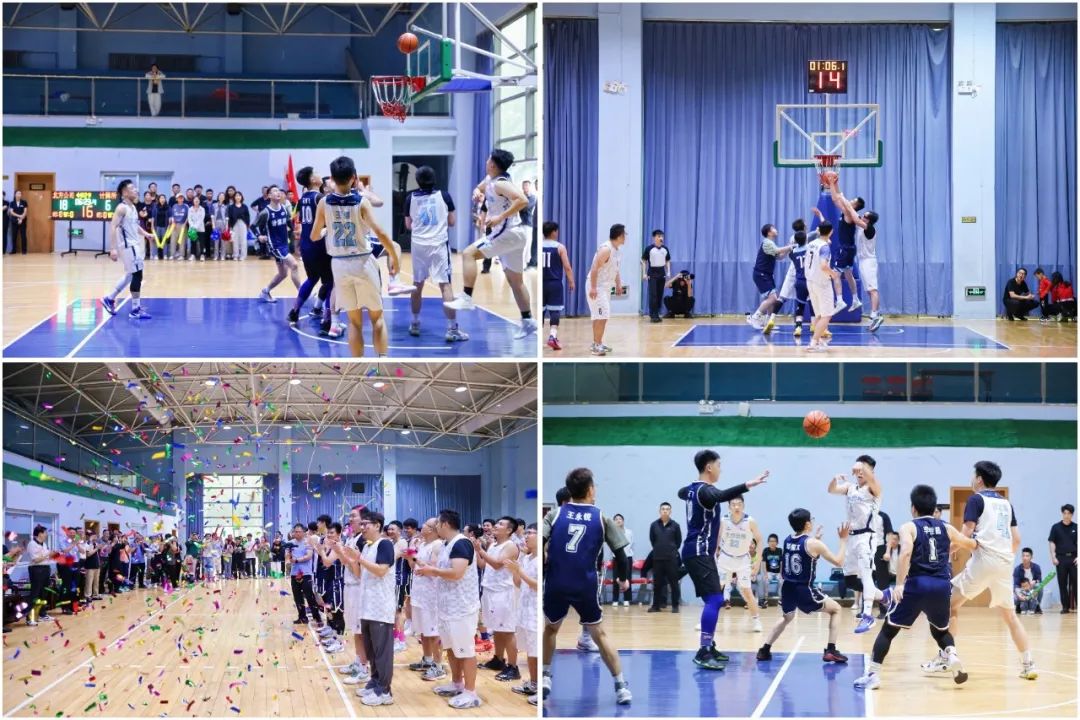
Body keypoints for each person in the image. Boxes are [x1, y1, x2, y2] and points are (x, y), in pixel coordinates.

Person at [921, 461, 1037, 680]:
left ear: (979, 479)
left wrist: (944, 552)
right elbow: (1017, 539)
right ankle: (1028, 665)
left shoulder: (976, 499)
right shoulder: (1006, 504)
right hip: (1005, 563)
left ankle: (946, 657)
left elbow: (964, 535)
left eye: (973, 475)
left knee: (948, 604)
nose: (972, 479)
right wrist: (1003, 558)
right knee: (1010, 617)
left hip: (984, 560)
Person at [854, 484, 977, 689]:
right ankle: (952, 655)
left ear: (913, 508)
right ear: (934, 507)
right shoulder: (946, 527)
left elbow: (905, 553)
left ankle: (873, 675)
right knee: (940, 631)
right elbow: (969, 544)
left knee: (888, 630)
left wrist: (900, 584)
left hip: (918, 584)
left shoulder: (909, 527)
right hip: (942, 586)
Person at [542, 468, 633, 705]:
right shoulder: (602, 517)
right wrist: (623, 579)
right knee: (599, 634)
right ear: (591, 490)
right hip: (585, 583)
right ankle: (621, 686)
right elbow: (621, 554)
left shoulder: (555, 514)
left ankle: (545, 676)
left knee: (550, 629)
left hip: (557, 582)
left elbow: (539, 543)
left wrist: (542, 572)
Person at [678, 450, 769, 670]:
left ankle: (709, 646)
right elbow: (720, 495)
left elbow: (681, 492)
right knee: (716, 599)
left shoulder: (693, 489)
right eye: (719, 465)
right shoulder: (706, 491)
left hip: (697, 551)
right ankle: (703, 650)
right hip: (699, 551)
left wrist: (691, 490)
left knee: (714, 599)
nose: (721, 469)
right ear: (709, 467)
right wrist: (748, 484)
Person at [311, 155, 399, 357]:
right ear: (353, 178)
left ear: (332, 178)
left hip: (339, 266)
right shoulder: (362, 202)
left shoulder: (323, 203)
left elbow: (314, 235)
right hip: (363, 262)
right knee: (377, 318)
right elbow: (381, 233)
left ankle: (358, 365)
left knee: (354, 322)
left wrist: (326, 230)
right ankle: (380, 364)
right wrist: (393, 254)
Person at [444, 150, 536, 340]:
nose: (486, 161)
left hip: (508, 232)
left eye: (488, 159)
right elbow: (479, 188)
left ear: (493, 164)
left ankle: (467, 297)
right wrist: (477, 193)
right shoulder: (490, 179)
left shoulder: (502, 183)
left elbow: (523, 200)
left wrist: (500, 217)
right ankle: (528, 321)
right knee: (515, 281)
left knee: (468, 253)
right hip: (514, 235)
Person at [756, 510, 850, 664]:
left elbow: (805, 555)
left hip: (787, 588)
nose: (812, 521)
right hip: (804, 589)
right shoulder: (813, 544)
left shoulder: (787, 540)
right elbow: (838, 562)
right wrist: (843, 541)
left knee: (787, 617)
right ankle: (831, 650)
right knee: (836, 609)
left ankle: (764, 649)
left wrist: (816, 539)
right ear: (807, 524)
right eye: (811, 519)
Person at [414, 509, 484, 709]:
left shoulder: (462, 543)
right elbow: (442, 571)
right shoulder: (446, 544)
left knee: (466, 650)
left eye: (437, 524)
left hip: (462, 607)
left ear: (445, 524)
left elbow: (456, 573)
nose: (435, 527)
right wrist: (426, 568)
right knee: (451, 648)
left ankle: (471, 692)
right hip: (446, 606)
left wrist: (432, 570)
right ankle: (457, 683)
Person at [403, 165, 468, 342]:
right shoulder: (444, 196)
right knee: (445, 286)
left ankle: (415, 323)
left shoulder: (410, 198)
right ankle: (452, 329)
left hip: (419, 244)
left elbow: (408, 225)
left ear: (417, 181)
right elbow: (452, 222)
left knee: (417, 284)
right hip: (438, 244)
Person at [827, 454, 884, 633]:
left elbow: (871, 477)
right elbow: (831, 490)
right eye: (858, 469)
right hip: (851, 537)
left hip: (867, 537)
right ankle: (884, 596)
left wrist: (862, 467)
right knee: (850, 580)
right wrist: (834, 479)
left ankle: (867, 616)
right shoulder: (850, 488)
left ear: (870, 471)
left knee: (866, 576)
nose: (859, 472)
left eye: (863, 469)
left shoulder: (874, 488)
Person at [354, 512, 397, 706]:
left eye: (366, 524)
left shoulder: (385, 544)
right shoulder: (367, 546)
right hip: (367, 606)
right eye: (361, 524)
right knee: (371, 651)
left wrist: (360, 559)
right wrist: (347, 557)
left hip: (381, 607)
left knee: (382, 652)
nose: (362, 527)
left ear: (378, 525)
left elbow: (381, 570)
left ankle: (385, 691)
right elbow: (360, 573)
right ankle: (374, 682)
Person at [289, 167, 335, 333]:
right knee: (330, 283)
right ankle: (327, 321)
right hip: (319, 245)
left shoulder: (302, 199)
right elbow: (330, 221)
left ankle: (294, 311)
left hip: (306, 245)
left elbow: (303, 221)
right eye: (316, 173)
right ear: (313, 180)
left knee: (312, 278)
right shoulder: (320, 198)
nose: (319, 175)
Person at [330, 505, 372, 686]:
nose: (350, 519)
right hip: (349, 586)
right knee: (355, 628)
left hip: (358, 587)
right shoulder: (352, 538)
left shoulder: (363, 540)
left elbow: (358, 570)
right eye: (349, 516)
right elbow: (346, 563)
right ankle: (358, 660)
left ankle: (363, 667)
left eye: (353, 516)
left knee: (361, 630)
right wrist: (339, 552)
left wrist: (341, 553)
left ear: (363, 519)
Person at [102, 179, 155, 320]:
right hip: (128, 246)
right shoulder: (121, 208)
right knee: (138, 275)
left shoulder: (133, 208)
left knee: (130, 275)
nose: (136, 190)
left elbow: (134, 226)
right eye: (132, 188)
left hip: (134, 245)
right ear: (125, 192)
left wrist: (146, 234)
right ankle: (135, 309)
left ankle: (109, 298)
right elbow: (113, 226)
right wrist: (112, 249)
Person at [476, 517, 521, 681]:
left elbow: (496, 564)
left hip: (503, 592)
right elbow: (483, 565)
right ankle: (498, 659)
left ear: (509, 530)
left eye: (501, 524)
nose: (496, 525)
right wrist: (477, 550)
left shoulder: (510, 546)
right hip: (490, 590)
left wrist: (481, 551)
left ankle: (513, 667)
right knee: (497, 628)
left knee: (507, 630)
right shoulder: (493, 545)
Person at [405, 518, 445, 680]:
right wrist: (410, 553)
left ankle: (438, 665)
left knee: (433, 632)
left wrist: (416, 559)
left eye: (426, 525)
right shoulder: (422, 544)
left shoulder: (438, 545)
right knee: (423, 630)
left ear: (432, 529)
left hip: (431, 595)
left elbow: (433, 569)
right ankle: (427, 660)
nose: (422, 526)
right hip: (419, 592)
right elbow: (413, 566)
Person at [716, 495, 764, 632]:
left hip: (743, 560)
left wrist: (758, 562)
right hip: (725, 559)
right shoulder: (723, 521)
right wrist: (713, 556)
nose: (736, 507)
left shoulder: (750, 521)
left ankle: (756, 621)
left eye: (739, 504)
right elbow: (716, 538)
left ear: (743, 505)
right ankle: (705, 620)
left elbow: (760, 540)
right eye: (733, 504)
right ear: (729, 506)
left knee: (747, 592)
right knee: (716, 590)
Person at [508, 522, 539, 704]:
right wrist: (515, 571)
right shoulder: (526, 559)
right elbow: (519, 583)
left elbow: (537, 585)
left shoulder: (542, 559)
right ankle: (533, 683)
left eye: (531, 533)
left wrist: (519, 571)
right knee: (530, 650)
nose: (527, 536)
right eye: (526, 533)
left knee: (537, 651)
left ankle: (539, 686)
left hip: (536, 611)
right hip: (525, 609)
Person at [254, 185, 302, 303]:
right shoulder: (265, 212)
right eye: (274, 191)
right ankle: (303, 293)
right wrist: (259, 236)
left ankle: (265, 291)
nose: (278, 192)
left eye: (279, 191)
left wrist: (294, 231)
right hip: (275, 245)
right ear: (269, 195)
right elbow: (253, 226)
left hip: (284, 244)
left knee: (283, 274)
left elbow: (288, 222)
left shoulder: (284, 208)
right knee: (294, 265)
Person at [585, 224, 627, 356]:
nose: (625, 237)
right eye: (624, 234)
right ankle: (597, 345)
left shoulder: (617, 250)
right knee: (602, 315)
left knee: (599, 316)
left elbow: (616, 269)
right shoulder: (606, 249)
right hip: (597, 286)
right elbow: (594, 268)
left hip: (605, 287)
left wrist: (618, 285)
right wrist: (593, 287)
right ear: (619, 236)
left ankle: (597, 343)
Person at [748, 223, 793, 332]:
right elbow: (778, 251)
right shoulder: (767, 242)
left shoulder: (771, 244)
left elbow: (780, 257)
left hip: (766, 275)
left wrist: (788, 248)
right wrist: (791, 246)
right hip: (761, 274)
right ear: (769, 232)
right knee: (773, 298)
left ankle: (768, 323)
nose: (776, 230)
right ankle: (755, 317)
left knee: (772, 299)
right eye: (773, 228)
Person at [541, 222, 574, 351]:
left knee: (541, 311)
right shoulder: (560, 247)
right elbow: (567, 266)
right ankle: (552, 336)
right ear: (554, 232)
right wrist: (571, 281)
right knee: (554, 311)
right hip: (554, 283)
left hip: (541, 283)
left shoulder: (539, 246)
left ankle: (537, 339)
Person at [806, 222, 838, 351]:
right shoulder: (824, 247)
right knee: (827, 315)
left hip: (810, 281)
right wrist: (833, 274)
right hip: (822, 283)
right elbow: (823, 266)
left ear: (818, 231)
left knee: (819, 314)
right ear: (831, 232)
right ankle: (813, 343)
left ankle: (818, 340)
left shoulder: (811, 243)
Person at [287, 524, 323, 626]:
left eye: (299, 531)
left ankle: (317, 617)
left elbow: (309, 556)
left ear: (303, 532)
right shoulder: (290, 543)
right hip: (294, 573)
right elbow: (287, 557)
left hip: (306, 573)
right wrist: (289, 556)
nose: (297, 533)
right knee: (297, 597)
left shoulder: (308, 542)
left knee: (309, 596)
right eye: (295, 531)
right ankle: (302, 617)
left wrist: (297, 560)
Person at [649, 501, 682, 612]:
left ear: (670, 511)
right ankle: (656, 606)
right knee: (657, 584)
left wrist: (671, 550)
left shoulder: (675, 525)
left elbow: (678, 542)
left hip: (671, 559)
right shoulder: (654, 525)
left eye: (667, 509)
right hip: (657, 559)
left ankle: (675, 606)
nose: (665, 511)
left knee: (674, 584)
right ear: (660, 511)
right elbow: (653, 541)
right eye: (663, 509)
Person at [1048, 503, 1076, 613]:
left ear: (1072, 514)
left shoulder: (1076, 527)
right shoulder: (1056, 527)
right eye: (1064, 513)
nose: (1066, 515)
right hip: (1061, 559)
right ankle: (1065, 607)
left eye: (1069, 513)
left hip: (1074, 558)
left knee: (1076, 583)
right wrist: (1053, 556)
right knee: (1062, 583)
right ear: (1062, 514)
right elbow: (1052, 542)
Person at [641, 230, 671, 323]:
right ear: (654, 238)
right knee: (653, 294)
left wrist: (668, 271)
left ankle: (657, 313)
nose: (660, 238)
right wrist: (644, 273)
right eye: (658, 236)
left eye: (661, 236)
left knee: (659, 294)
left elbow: (667, 260)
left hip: (661, 272)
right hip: (652, 272)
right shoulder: (649, 249)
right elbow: (643, 261)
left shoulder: (665, 249)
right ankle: (653, 315)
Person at [610, 514, 635, 607]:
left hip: (627, 557)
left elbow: (631, 544)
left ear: (623, 521)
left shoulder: (629, 532)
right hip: (616, 557)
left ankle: (627, 599)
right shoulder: (612, 532)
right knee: (616, 579)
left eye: (620, 519)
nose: (618, 520)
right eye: (616, 519)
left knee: (627, 578)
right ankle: (615, 599)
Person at [1013, 548, 1044, 614]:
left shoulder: (1036, 567)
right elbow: (1016, 585)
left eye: (1027, 556)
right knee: (1014, 598)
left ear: (1031, 557)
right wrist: (1019, 595)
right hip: (1022, 589)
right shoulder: (1017, 569)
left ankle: (1037, 605)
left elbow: (1039, 581)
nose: (1025, 558)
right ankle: (1019, 605)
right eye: (1023, 556)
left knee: (1039, 586)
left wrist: (1035, 582)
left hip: (1032, 588)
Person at [760, 534, 783, 608]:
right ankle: (765, 599)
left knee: (782, 581)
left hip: (778, 572)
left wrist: (781, 573)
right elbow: (763, 563)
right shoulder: (765, 550)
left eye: (774, 541)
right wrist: (765, 574)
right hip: (769, 572)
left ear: (777, 542)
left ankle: (781, 599)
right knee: (765, 580)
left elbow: (781, 563)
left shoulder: (780, 550)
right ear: (768, 542)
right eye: (770, 541)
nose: (772, 543)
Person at [187, 195, 206, 261]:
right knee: (193, 242)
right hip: (192, 229)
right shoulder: (190, 209)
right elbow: (189, 219)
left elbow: (201, 219)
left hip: (201, 229)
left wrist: (196, 226)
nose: (196, 201)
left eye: (197, 200)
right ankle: (193, 255)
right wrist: (192, 226)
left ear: (199, 201)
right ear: (193, 201)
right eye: (195, 200)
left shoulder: (202, 209)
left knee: (202, 243)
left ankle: (202, 255)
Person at [9, 190, 28, 255]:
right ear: (15, 195)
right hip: (14, 221)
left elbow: (25, 211)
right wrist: (19, 216)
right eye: (18, 193)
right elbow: (11, 212)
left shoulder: (24, 202)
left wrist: (21, 218)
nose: (19, 195)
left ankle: (24, 251)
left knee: (23, 236)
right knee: (14, 236)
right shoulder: (12, 203)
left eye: (20, 193)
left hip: (23, 221)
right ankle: (14, 250)